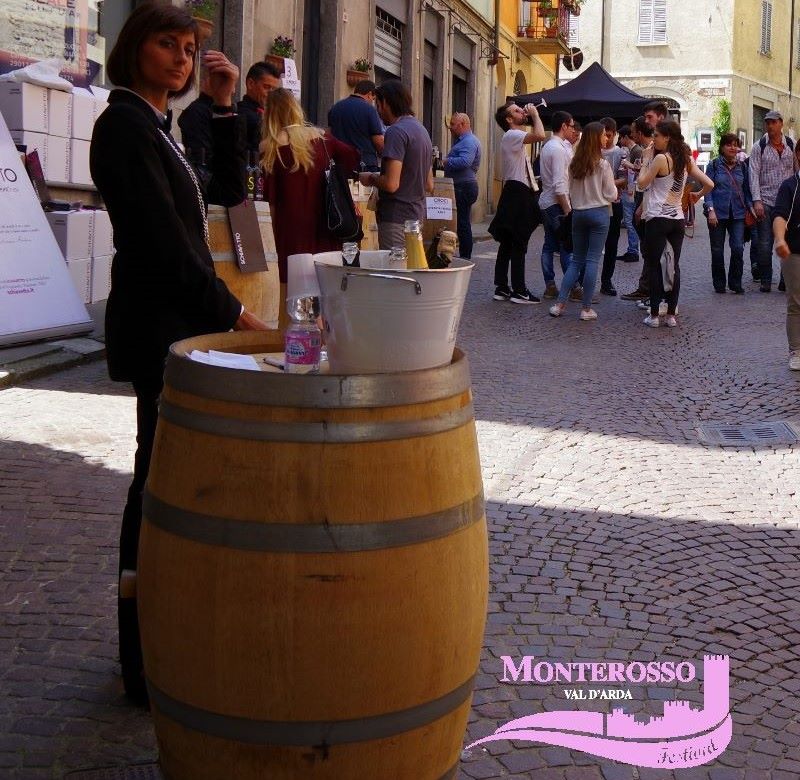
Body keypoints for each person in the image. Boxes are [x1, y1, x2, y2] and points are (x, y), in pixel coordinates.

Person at [89, 1, 268, 705]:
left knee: (163, 479)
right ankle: (140, 656)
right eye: (168, 45)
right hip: (157, 326)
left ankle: (156, 643)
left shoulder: (157, 128)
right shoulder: (123, 127)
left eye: (190, 50)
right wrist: (237, 315)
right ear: (135, 47)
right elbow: (166, 248)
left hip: (175, 327)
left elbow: (222, 196)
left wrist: (224, 111)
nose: (182, 60)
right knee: (154, 486)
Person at [261, 88, 360, 298]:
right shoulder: (323, 139)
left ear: (270, 115)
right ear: (296, 109)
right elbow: (353, 157)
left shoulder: (270, 147)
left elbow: (269, 201)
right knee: (325, 287)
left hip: (289, 230)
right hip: (325, 223)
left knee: (292, 293)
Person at [636, 120, 713, 327]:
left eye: (657, 136)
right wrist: (697, 195)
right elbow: (709, 183)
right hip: (677, 220)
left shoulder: (661, 159)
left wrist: (645, 160)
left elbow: (642, 184)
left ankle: (653, 315)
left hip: (657, 217)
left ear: (667, 137)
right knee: (673, 266)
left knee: (654, 266)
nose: (654, 139)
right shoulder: (685, 160)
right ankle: (670, 315)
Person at [548, 122, 616, 321]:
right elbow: (610, 193)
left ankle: (560, 304)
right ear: (596, 138)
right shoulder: (603, 164)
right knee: (593, 260)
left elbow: (568, 189)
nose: (606, 138)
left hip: (578, 213)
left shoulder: (574, 163)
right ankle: (586, 308)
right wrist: (613, 194)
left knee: (576, 260)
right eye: (604, 135)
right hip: (600, 213)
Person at [357, 79, 433, 250]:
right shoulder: (422, 131)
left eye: (378, 104)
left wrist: (370, 178)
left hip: (395, 219)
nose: (378, 111)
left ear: (385, 103)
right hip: (416, 218)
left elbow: (391, 184)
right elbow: (429, 184)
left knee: (394, 272)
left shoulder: (396, 132)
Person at [487, 101, 546, 304]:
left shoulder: (513, 137)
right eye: (516, 111)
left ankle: (502, 287)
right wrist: (535, 115)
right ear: (509, 119)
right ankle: (519, 290)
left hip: (515, 190)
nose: (522, 111)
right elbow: (540, 135)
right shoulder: (513, 134)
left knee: (508, 241)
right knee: (519, 241)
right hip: (518, 191)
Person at [620, 101, 669, 301]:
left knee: (659, 254)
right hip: (650, 206)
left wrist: (641, 205)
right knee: (651, 251)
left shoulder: (664, 149)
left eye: (650, 117)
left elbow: (653, 183)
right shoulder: (651, 149)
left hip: (659, 209)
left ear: (661, 118)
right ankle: (650, 290)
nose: (647, 120)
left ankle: (658, 297)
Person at [748, 110, 797, 292]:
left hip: (788, 203)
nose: (769, 126)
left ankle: (785, 280)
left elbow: (796, 171)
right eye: (767, 122)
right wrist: (756, 201)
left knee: (789, 241)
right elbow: (753, 175)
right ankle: (766, 280)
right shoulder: (758, 147)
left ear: (781, 123)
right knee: (765, 243)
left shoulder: (791, 145)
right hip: (766, 201)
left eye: (773, 122)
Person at [703, 133, 753, 294]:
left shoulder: (743, 166)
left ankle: (735, 282)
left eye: (735, 145)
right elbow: (708, 189)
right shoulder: (714, 165)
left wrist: (751, 207)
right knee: (717, 250)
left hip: (738, 214)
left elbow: (746, 190)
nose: (733, 148)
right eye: (729, 145)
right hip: (717, 213)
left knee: (738, 248)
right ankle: (719, 283)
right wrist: (710, 210)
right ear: (722, 147)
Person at [539, 111, 577, 299]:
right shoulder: (558, 149)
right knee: (566, 245)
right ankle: (573, 287)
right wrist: (567, 209)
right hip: (556, 203)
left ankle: (551, 285)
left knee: (549, 245)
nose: (573, 129)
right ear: (563, 126)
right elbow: (559, 184)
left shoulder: (551, 146)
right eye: (571, 126)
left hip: (548, 202)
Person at [772, 141, 800, 369]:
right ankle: (796, 351)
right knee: (797, 302)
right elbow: (780, 215)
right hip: (795, 251)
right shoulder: (790, 186)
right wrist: (780, 239)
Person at [443, 112, 481, 259]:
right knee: (462, 222)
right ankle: (464, 254)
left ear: (463, 124)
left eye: (453, 124)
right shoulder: (463, 141)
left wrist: (446, 161)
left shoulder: (468, 141)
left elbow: (465, 161)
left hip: (463, 186)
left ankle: (465, 256)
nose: (450, 128)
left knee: (463, 222)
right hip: (463, 185)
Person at [327, 79, 384, 172]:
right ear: (369, 94)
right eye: (373, 99)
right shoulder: (369, 110)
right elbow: (378, 141)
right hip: (365, 164)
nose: (372, 102)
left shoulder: (335, 107)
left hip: (339, 164)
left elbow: (329, 134)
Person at [598, 116, 626, 296]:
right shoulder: (593, 151)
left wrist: (604, 184)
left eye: (609, 135)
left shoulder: (620, 153)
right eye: (604, 135)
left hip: (614, 204)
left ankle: (606, 281)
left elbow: (624, 179)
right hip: (595, 204)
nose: (606, 139)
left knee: (611, 245)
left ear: (615, 134)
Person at [237, 61, 282, 154]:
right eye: (266, 87)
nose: (271, 94)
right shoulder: (241, 114)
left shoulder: (273, 115)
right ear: (250, 84)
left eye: (274, 90)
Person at [616, 124, 642, 263]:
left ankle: (633, 250)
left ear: (626, 137)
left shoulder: (636, 151)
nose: (620, 141)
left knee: (630, 221)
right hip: (631, 190)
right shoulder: (634, 150)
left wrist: (627, 164)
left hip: (631, 191)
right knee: (630, 220)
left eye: (621, 138)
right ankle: (632, 249)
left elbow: (638, 170)